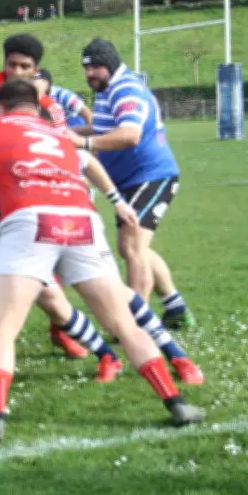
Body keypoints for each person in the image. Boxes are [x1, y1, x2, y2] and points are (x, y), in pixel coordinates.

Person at [0, 79, 205, 447]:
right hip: (81, 220)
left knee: (2, 328)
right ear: (35, 107)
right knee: (125, 324)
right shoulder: (58, 134)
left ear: (1, 107)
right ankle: (175, 402)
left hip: (30, 218)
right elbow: (89, 164)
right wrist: (116, 199)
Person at [0, 169, 204, 384]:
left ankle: (177, 355)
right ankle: (107, 356)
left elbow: (85, 156)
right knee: (52, 299)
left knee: (114, 293)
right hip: (23, 244)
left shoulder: (37, 147)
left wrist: (116, 200)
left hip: (68, 223)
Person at [0, 33, 90, 359]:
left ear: (36, 69)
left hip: (35, 198)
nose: (16, 70)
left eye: (24, 66)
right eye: (11, 63)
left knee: (45, 275)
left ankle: (61, 329)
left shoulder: (46, 106)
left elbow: (66, 148)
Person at [73, 38, 195, 331]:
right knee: (137, 247)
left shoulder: (126, 89)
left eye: (96, 67)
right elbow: (103, 125)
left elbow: (129, 134)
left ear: (111, 64)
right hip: (130, 181)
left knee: (131, 247)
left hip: (152, 177)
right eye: (87, 68)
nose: (90, 74)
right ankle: (175, 307)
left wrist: (84, 142)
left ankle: (136, 326)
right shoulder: (107, 89)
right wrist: (64, 132)